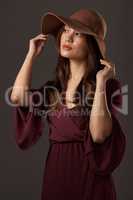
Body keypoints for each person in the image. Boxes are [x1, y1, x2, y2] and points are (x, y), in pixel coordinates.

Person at [10, 9, 126, 200]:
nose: (68, 37)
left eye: (77, 33)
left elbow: (98, 135)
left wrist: (101, 83)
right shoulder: (53, 89)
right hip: (56, 178)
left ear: (92, 45)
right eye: (65, 30)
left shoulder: (109, 87)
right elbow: (16, 97)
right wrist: (31, 54)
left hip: (91, 181)